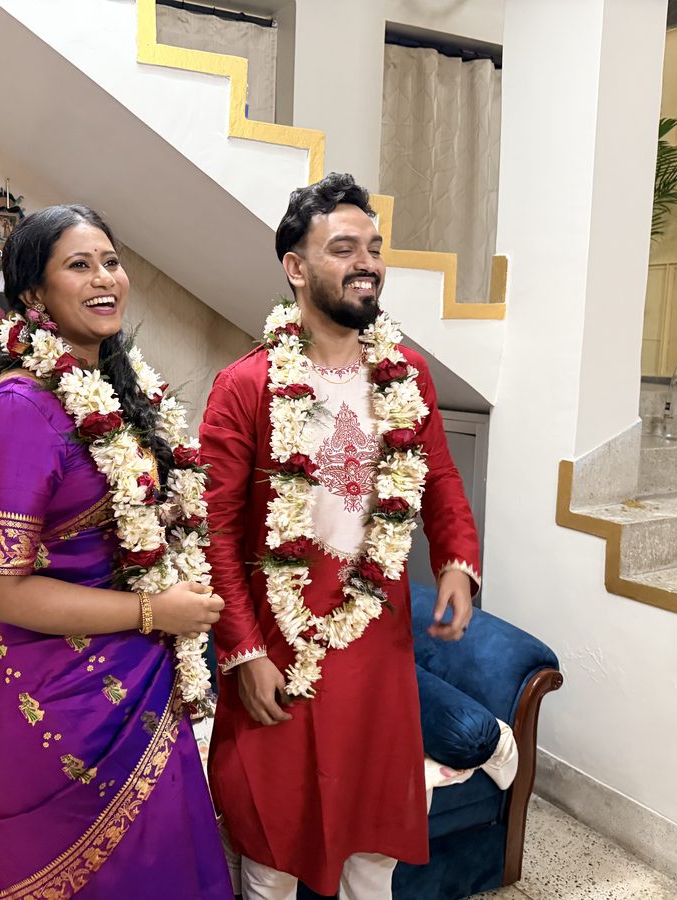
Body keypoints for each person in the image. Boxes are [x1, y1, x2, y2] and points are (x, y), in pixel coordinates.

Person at [0, 204, 233, 899]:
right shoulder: (19, 412)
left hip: (143, 673)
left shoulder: (117, 386)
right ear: (34, 293)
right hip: (65, 693)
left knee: (162, 859)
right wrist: (154, 611)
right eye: (79, 265)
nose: (105, 279)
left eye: (111, 261)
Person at [200, 173, 482, 900]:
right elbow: (217, 533)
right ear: (296, 268)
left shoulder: (406, 373)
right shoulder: (246, 385)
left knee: (372, 850)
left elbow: (441, 481)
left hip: (375, 644)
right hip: (278, 646)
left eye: (375, 248)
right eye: (344, 247)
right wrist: (243, 652)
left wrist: (457, 564)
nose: (368, 263)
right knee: (272, 851)